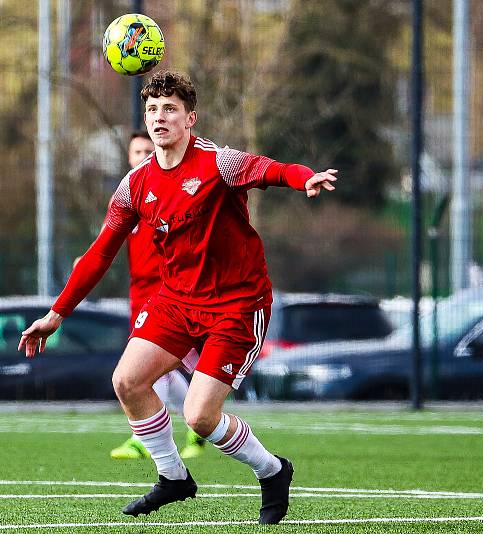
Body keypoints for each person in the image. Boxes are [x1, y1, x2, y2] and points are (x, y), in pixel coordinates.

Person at [19, 71, 337, 524]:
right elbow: (99, 254)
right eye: (152, 109)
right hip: (177, 300)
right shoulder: (135, 184)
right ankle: (173, 478)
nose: (159, 117)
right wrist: (56, 313)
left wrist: (304, 179)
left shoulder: (218, 162)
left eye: (169, 108)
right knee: (127, 381)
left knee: (200, 417)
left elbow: (273, 169)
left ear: (191, 118)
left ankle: (272, 470)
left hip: (237, 304)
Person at [109, 131, 205, 461]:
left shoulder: (163, 191)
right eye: (136, 151)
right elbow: (109, 240)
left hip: (166, 291)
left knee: (154, 368)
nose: (141, 155)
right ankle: (197, 421)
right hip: (139, 291)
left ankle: (142, 437)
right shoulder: (130, 194)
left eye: (147, 150)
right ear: (129, 156)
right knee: (168, 369)